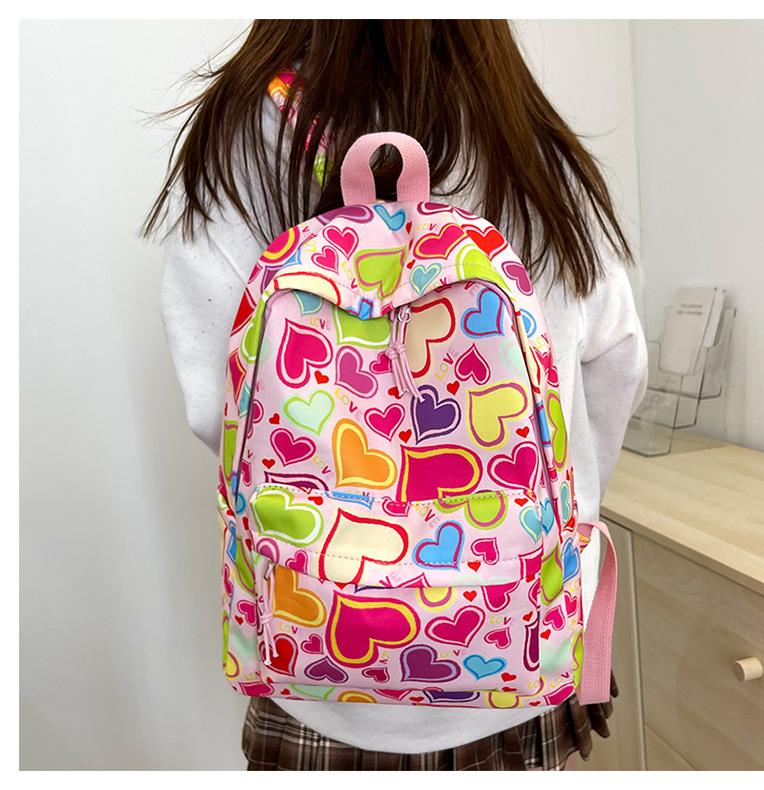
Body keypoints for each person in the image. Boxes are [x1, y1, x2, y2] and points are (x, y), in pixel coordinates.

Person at [146, 20, 647, 771]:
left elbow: (215, 412)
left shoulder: (241, 139)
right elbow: (616, 365)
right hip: (521, 647)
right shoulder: (526, 136)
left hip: (317, 665)